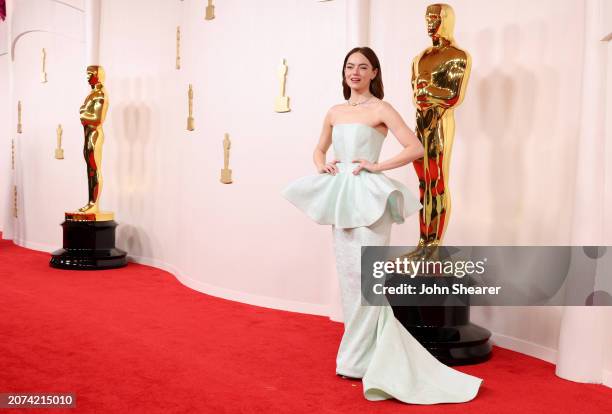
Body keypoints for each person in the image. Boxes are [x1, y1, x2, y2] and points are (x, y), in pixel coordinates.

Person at [282, 47, 482, 404]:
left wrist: (377, 166)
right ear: (343, 73)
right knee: (348, 279)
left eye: (362, 67)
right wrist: (322, 165)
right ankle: (360, 358)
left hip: (370, 197)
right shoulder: (334, 111)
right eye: (349, 67)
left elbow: (416, 147)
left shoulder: (381, 109)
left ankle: (359, 359)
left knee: (367, 279)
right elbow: (319, 148)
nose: (354, 72)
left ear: (374, 72)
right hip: (342, 195)